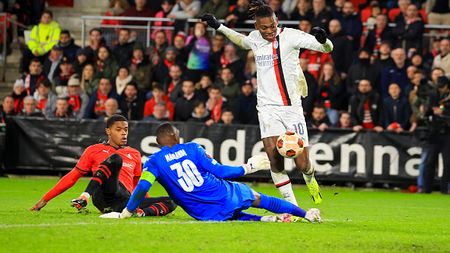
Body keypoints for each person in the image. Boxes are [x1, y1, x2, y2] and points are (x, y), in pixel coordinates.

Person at [200, 0, 334, 205]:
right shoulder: (255, 38)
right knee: (275, 160)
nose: (270, 30)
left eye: (272, 25)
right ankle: (293, 207)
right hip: (267, 109)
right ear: (256, 27)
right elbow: (241, 41)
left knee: (303, 163)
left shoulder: (291, 36)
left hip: (292, 109)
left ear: (276, 20)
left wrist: (324, 40)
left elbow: (326, 49)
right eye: (264, 28)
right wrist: (219, 26)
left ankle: (311, 180)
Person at [105, 123, 321, 223]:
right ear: (172, 135)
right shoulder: (192, 147)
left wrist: (127, 211)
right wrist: (249, 167)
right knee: (258, 198)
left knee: (229, 216)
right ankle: (306, 214)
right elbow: (219, 171)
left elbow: (143, 186)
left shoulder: (154, 162)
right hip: (222, 192)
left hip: (201, 212)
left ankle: (263, 221)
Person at [31, 115, 177, 217]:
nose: (124, 133)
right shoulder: (94, 150)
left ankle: (140, 213)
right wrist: (45, 199)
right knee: (115, 159)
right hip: (103, 195)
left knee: (173, 200)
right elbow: (72, 177)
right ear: (108, 131)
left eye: (125, 129)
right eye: (118, 129)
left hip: (123, 200)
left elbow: (138, 185)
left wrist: (143, 203)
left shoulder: (134, 153)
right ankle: (85, 197)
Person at [423, 76, 450, 194]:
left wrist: (442, 113)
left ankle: (444, 189)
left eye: (442, 87)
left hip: (448, 133)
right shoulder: (433, 95)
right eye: (438, 87)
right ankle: (426, 189)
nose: (440, 90)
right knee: (430, 162)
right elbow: (427, 112)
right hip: (435, 133)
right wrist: (430, 110)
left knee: (447, 162)